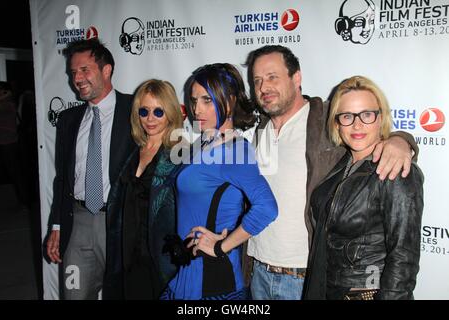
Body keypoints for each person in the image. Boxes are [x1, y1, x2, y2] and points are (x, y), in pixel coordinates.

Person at [243, 45, 418, 300]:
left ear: (297, 78)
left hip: (305, 278)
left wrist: (401, 141)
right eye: (257, 80)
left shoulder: (326, 118)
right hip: (259, 272)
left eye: (272, 77)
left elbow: (367, 130)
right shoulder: (260, 130)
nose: (263, 87)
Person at [161, 63, 278, 300]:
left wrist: (219, 246)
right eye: (194, 101)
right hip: (187, 275)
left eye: (207, 100)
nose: (197, 110)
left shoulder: (235, 151)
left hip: (213, 283)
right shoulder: (204, 144)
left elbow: (267, 207)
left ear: (230, 101)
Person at [303, 76, 423, 300]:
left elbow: (403, 258)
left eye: (366, 115)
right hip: (327, 290)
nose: (357, 125)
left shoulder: (395, 169)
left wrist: (400, 141)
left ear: (381, 118)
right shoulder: (340, 164)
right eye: (347, 116)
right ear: (337, 123)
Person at [45, 38, 136, 299]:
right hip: (78, 224)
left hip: (119, 223)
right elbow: (62, 178)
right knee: (73, 294)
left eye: (85, 70)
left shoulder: (136, 111)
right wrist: (57, 225)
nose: (78, 78)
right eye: (73, 72)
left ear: (106, 71)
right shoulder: (68, 120)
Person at [103, 79, 184, 299]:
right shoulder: (133, 150)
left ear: (170, 113)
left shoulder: (180, 153)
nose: (150, 119)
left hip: (160, 258)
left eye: (159, 112)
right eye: (144, 111)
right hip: (127, 252)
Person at [0, 81, 29, 211]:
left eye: (2, 90)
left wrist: (5, 96)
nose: (0, 92)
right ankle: (21, 201)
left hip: (10, 143)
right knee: (13, 174)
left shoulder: (9, 104)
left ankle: (24, 202)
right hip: (4, 143)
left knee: (16, 174)